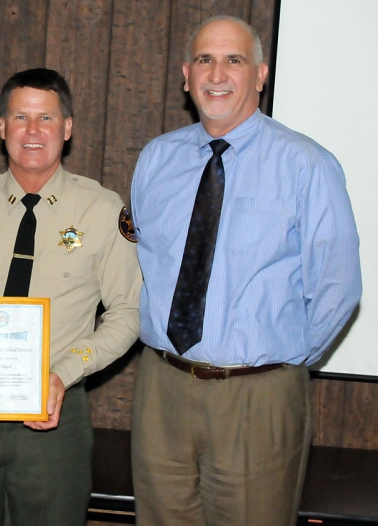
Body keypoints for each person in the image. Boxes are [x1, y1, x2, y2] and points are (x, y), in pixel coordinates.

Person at [130, 16, 362, 526]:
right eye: (206, 60)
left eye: (234, 59)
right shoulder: (156, 160)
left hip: (258, 396)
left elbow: (339, 287)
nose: (218, 73)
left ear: (260, 74)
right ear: (186, 75)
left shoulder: (306, 165)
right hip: (162, 390)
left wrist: (276, 363)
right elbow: (143, 264)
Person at [0, 67, 142, 526]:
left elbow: (129, 312)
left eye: (46, 119)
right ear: (2, 128)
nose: (33, 131)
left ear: (68, 128)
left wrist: (66, 371)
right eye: (20, 118)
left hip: (55, 415)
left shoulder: (101, 211)